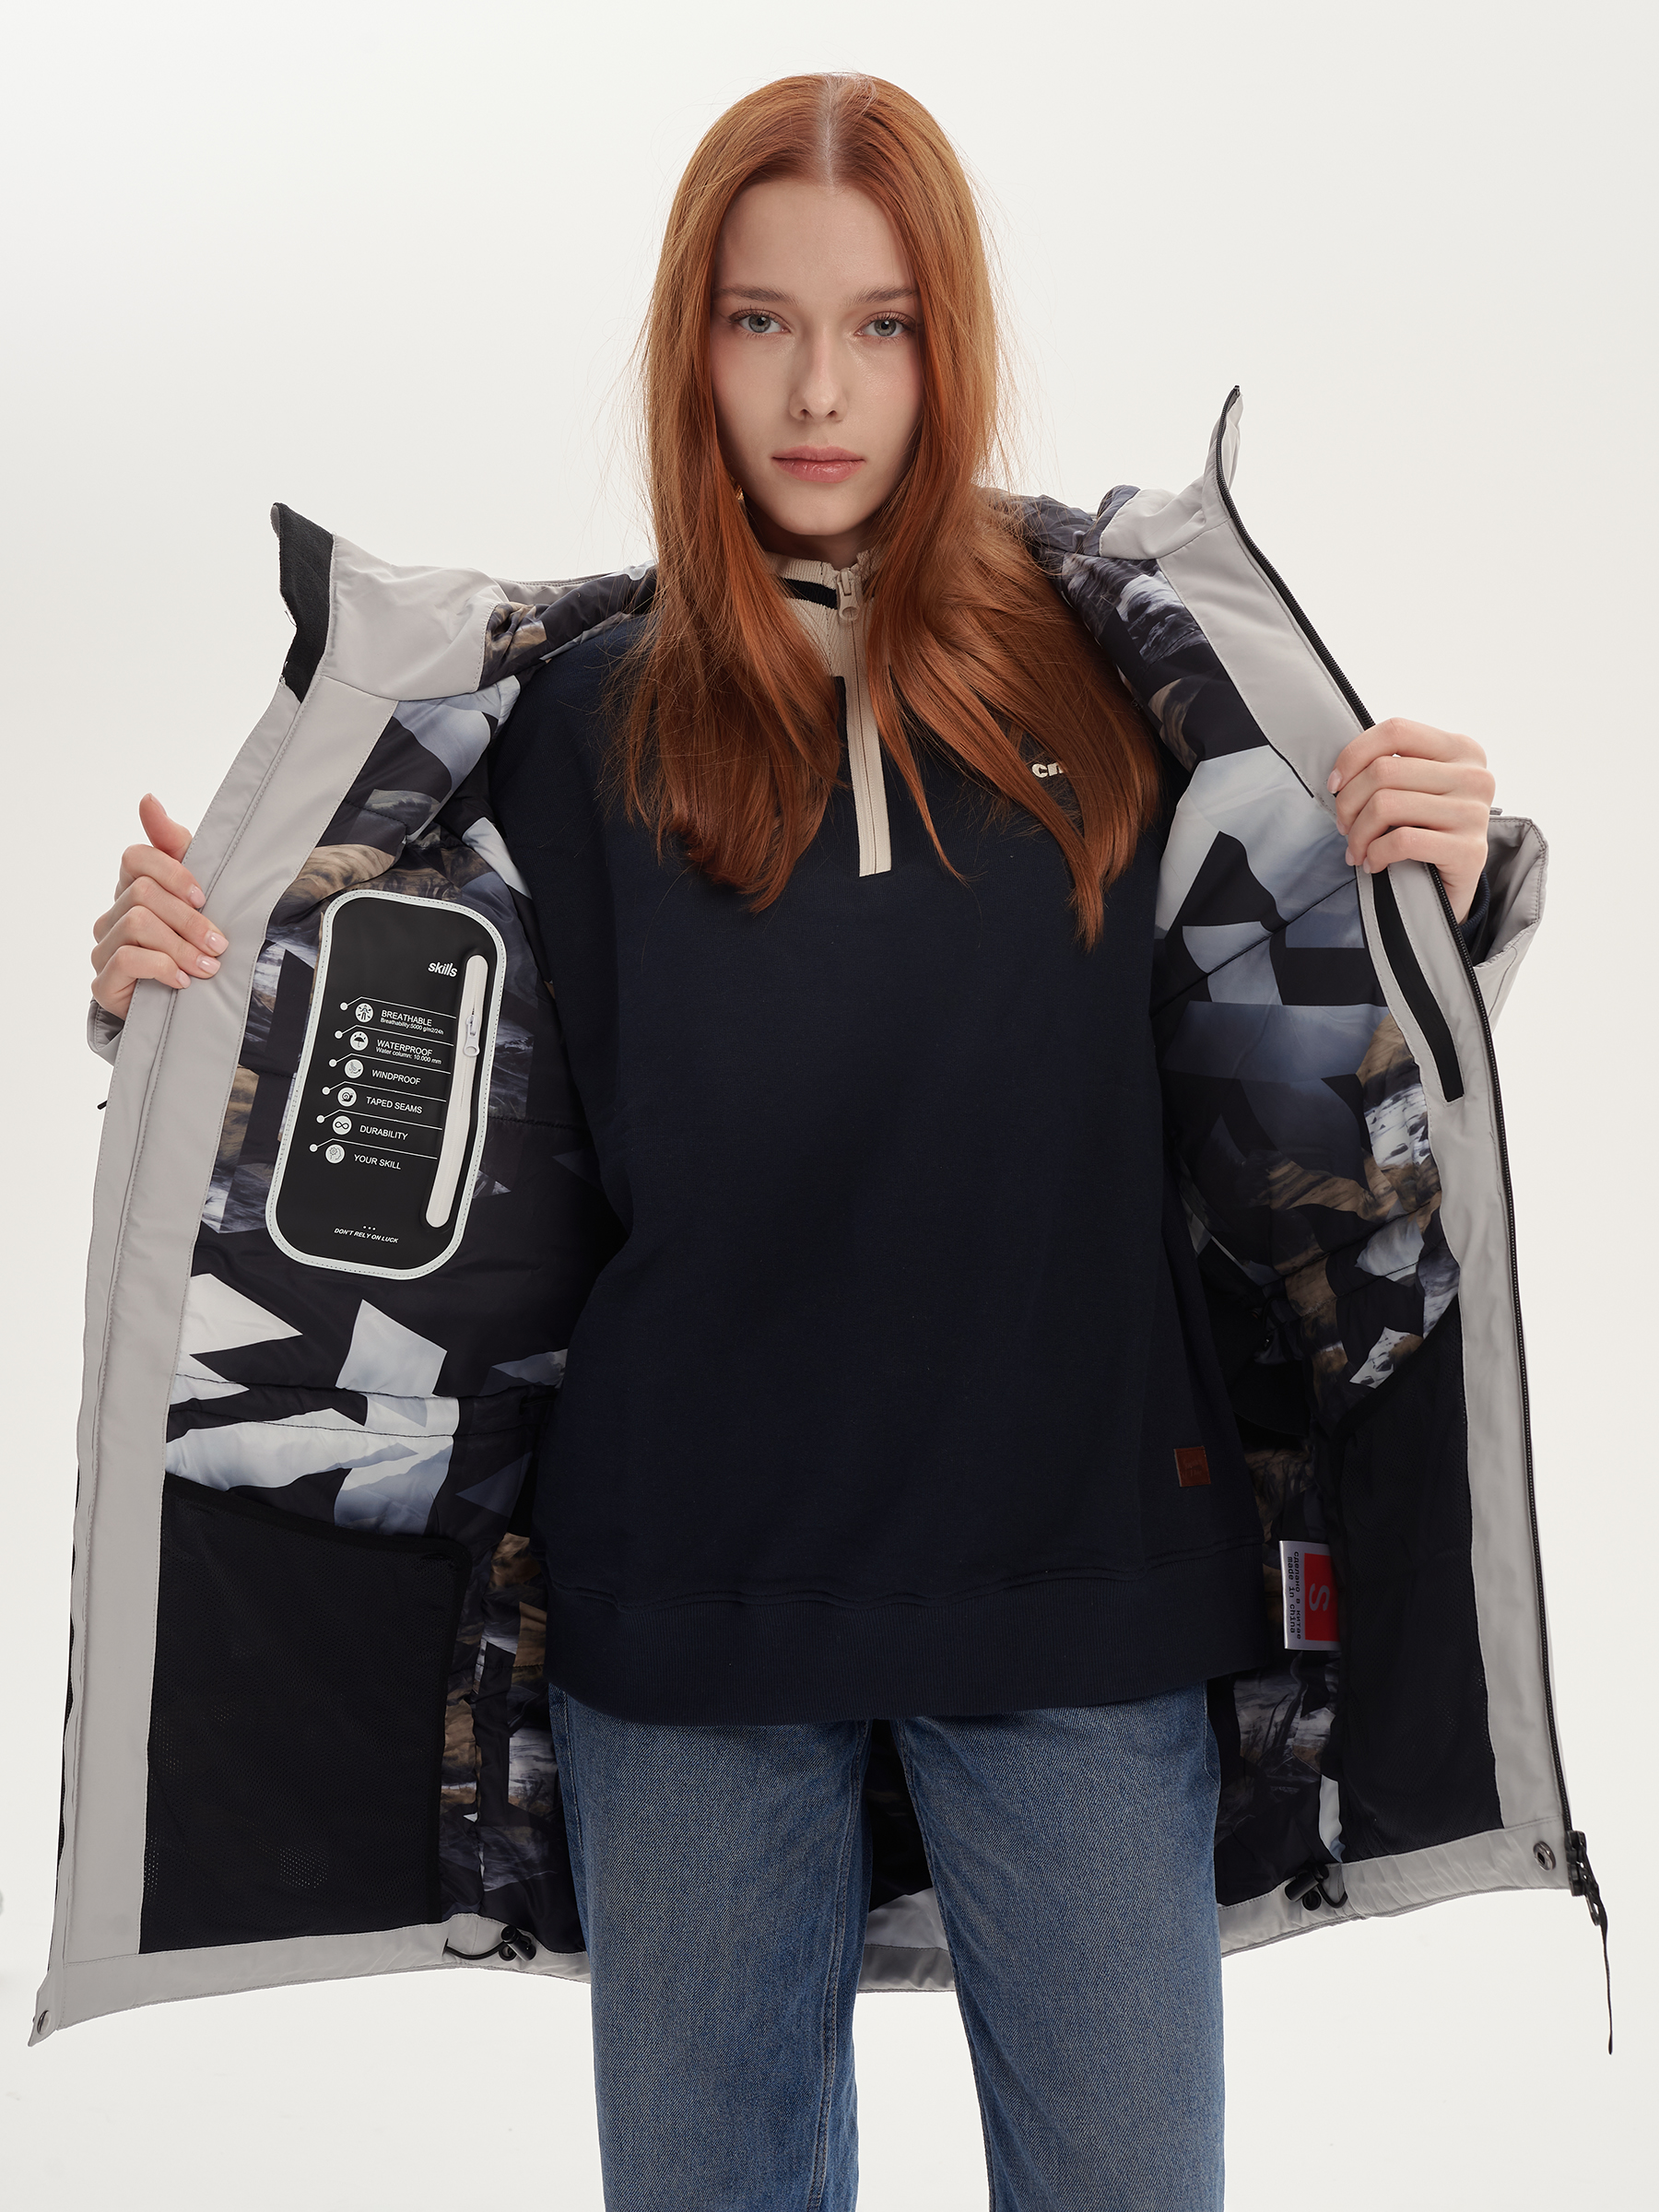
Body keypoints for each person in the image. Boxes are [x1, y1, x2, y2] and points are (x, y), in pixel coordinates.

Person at [85, 74, 1498, 2212]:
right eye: (762, 322)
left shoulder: (1132, 683)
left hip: (1083, 1582)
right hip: (688, 1610)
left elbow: (1297, 1079)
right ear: (695, 345)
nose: (820, 390)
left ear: (951, 343)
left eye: (880, 324)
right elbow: (407, 1109)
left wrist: (1436, 892)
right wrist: (182, 1003)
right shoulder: (564, 723)